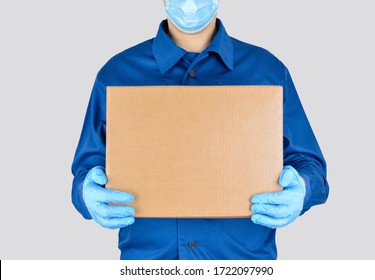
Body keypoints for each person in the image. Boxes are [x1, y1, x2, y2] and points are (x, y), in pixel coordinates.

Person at [71, 0, 329, 260]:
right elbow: (86, 169)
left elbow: (310, 165)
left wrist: (302, 189)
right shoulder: (117, 74)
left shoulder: (267, 71)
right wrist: (86, 193)